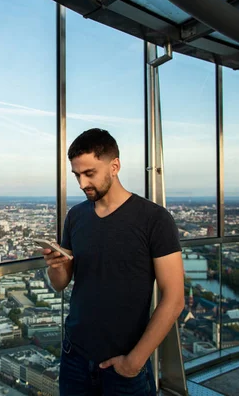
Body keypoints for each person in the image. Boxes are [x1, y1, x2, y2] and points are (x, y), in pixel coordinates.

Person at [43, 128, 185, 395]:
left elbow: (175, 298)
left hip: (125, 363)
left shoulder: (154, 220)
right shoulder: (75, 216)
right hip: (75, 356)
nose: (82, 184)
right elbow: (60, 284)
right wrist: (57, 266)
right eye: (77, 175)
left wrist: (134, 362)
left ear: (115, 166)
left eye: (90, 173)